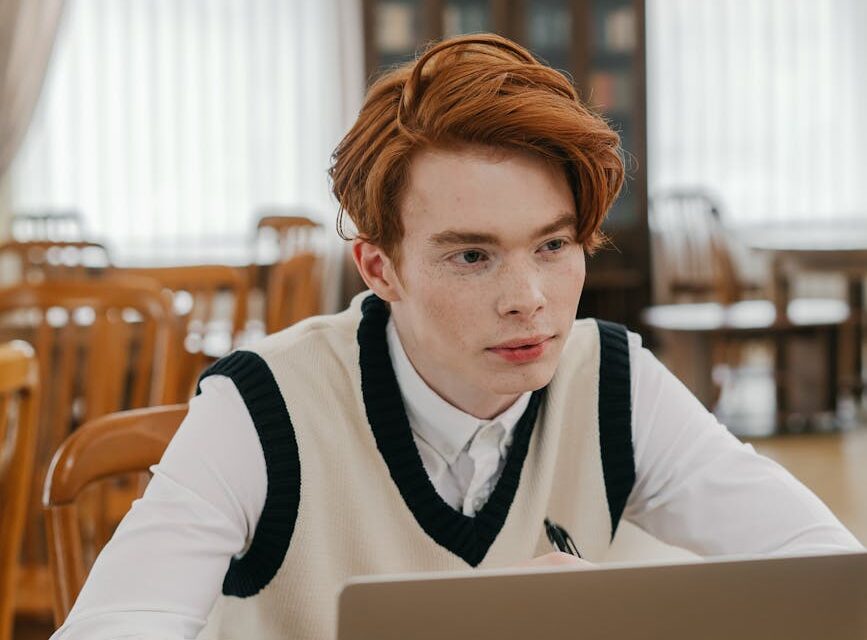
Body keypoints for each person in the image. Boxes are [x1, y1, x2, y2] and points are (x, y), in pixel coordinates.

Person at [52, 33, 861, 640]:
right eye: (471, 256)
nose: (529, 300)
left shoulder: (611, 378)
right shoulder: (260, 404)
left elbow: (827, 578)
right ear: (378, 267)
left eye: (553, 245)